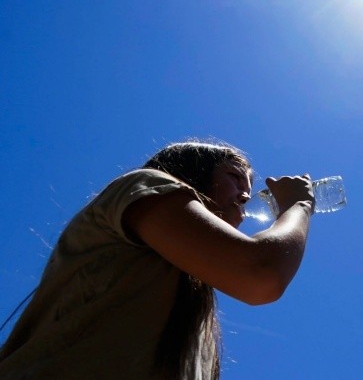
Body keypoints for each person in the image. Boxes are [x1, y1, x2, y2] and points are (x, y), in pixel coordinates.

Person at [0, 141, 316, 379]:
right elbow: (261, 273)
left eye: (248, 188)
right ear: (192, 172)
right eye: (234, 177)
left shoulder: (191, 298)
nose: (246, 195)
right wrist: (298, 205)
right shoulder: (144, 186)